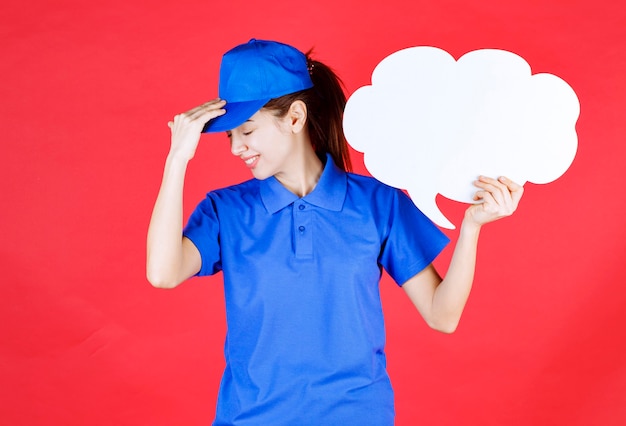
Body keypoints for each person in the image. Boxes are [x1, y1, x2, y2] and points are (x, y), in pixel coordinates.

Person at [146, 39, 523, 425]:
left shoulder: (378, 204)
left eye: (246, 131)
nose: (236, 148)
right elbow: (162, 273)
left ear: (295, 118)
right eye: (229, 137)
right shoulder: (225, 210)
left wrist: (472, 227)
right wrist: (177, 159)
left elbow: (442, 315)